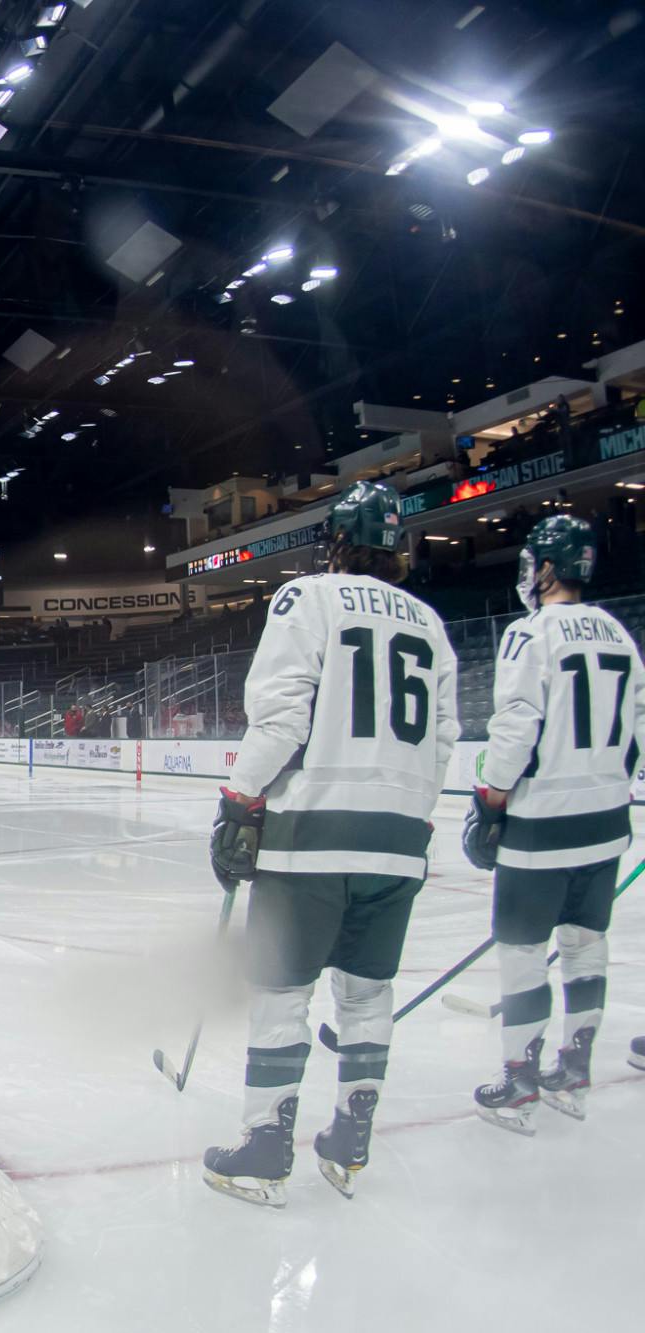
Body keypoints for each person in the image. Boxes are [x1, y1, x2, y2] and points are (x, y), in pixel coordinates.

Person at [204, 481, 458, 1206]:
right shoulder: (432, 623)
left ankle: (265, 1142)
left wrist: (237, 799)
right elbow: (443, 741)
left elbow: (282, 719)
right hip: (399, 836)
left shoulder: (308, 597)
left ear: (336, 540)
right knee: (367, 990)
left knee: (281, 989)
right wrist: (405, 811)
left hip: (313, 832)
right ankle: (351, 1136)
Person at [460, 514, 642, 1132]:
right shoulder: (618, 633)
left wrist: (490, 800)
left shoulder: (529, 632)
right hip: (606, 820)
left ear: (545, 568)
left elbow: (515, 727)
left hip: (542, 823)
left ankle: (519, 1078)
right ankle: (576, 1067)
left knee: (522, 952)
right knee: (586, 944)